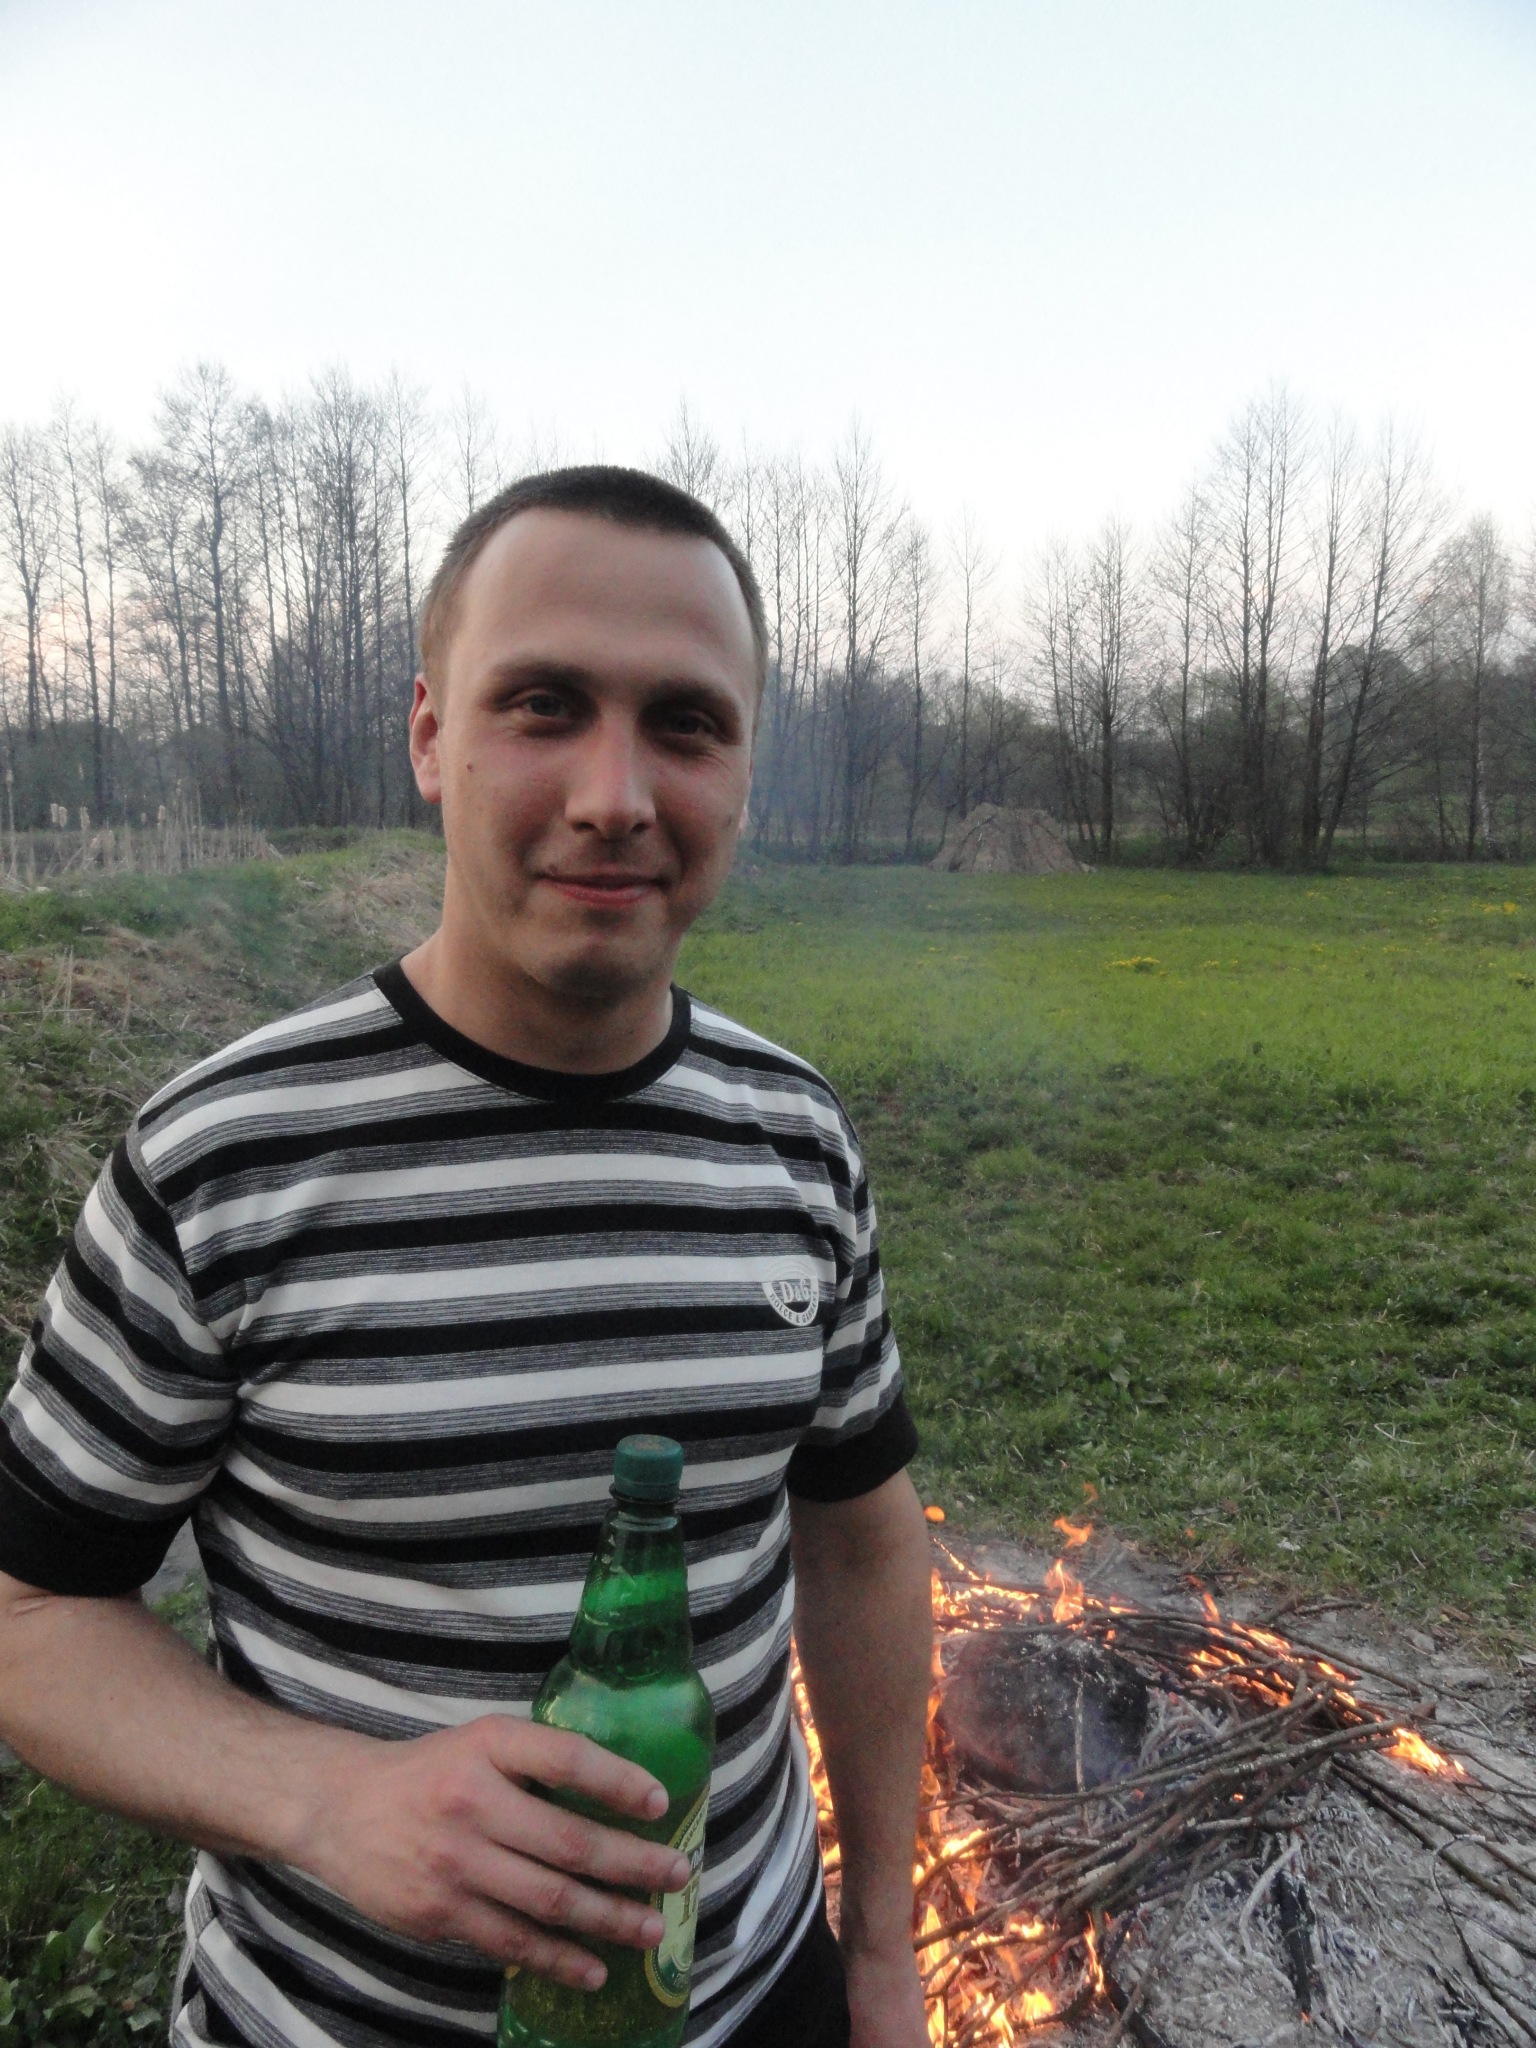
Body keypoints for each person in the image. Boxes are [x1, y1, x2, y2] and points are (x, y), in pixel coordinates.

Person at [0, 468, 934, 2048]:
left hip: (756, 1995)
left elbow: (860, 1549)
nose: (616, 794)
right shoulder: (222, 1159)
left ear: (742, 777)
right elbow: (31, 1613)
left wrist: (885, 1953)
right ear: (433, 738)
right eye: (545, 705)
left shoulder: (796, 1136)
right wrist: (325, 1798)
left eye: (687, 725)